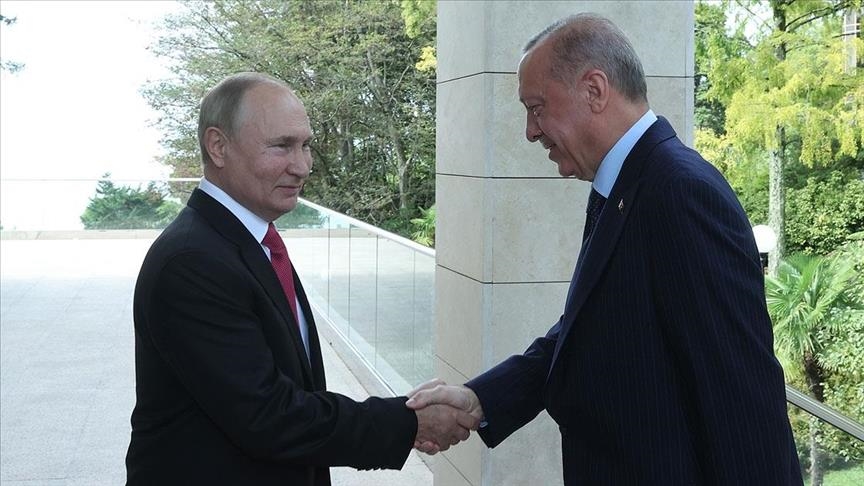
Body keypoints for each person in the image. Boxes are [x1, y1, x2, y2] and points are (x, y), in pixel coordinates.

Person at [407, 13, 803, 485]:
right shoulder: (628, 185)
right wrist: (481, 400)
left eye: (537, 107)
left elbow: (742, 400)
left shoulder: (679, 193)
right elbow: (583, 333)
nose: (530, 131)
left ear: (594, 90)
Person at [125, 72, 477, 485]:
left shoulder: (251, 240)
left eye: (306, 145)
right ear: (218, 147)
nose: (302, 166)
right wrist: (406, 422)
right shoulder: (192, 261)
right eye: (282, 146)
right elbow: (268, 416)